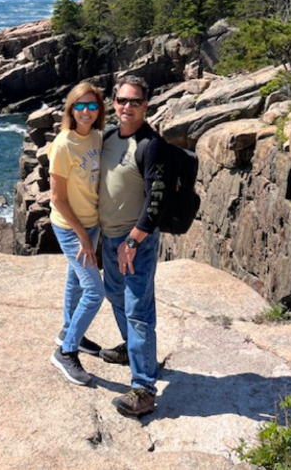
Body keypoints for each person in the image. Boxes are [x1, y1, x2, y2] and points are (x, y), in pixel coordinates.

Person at [97, 74, 165, 418]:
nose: (127, 107)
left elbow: (155, 201)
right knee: (114, 295)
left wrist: (133, 241)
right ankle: (134, 350)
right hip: (108, 238)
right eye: (122, 100)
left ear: (145, 106)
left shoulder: (150, 145)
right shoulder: (108, 137)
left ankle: (143, 388)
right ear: (114, 102)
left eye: (134, 102)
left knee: (138, 308)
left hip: (135, 242)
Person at [47, 82, 106, 386]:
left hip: (93, 223)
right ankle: (66, 352)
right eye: (80, 106)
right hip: (71, 227)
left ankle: (70, 332)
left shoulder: (97, 137)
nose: (86, 111)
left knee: (76, 280)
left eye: (92, 106)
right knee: (95, 291)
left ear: (99, 110)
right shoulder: (62, 144)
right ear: (71, 109)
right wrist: (82, 235)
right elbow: (57, 198)